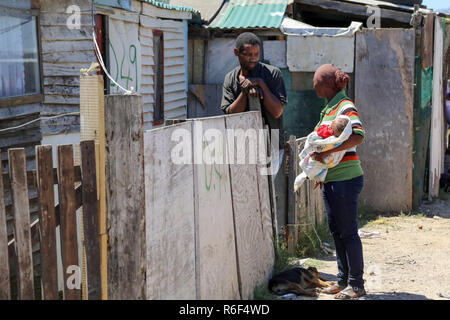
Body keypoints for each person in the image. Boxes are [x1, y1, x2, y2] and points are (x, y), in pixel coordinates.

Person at [311, 64, 366, 299]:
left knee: (348, 232)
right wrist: (322, 171)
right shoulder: (329, 108)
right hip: (333, 178)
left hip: (347, 178)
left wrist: (325, 154)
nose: (314, 87)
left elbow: (358, 135)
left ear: (326, 84)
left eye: (316, 83)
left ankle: (357, 284)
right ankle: (343, 280)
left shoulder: (345, 106)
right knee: (336, 231)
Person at [220, 32, 288, 161]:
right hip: (241, 146)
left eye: (256, 54)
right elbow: (231, 114)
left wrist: (261, 83)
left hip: (272, 144)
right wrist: (244, 92)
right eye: (248, 54)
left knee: (271, 181)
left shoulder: (272, 74)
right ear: (236, 52)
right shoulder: (230, 78)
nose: (253, 58)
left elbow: (277, 112)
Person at [294, 116, 352, 192]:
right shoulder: (328, 129)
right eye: (331, 126)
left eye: (332, 130)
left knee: (316, 165)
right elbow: (317, 135)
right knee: (317, 166)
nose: (330, 129)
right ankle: (307, 175)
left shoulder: (336, 140)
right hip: (320, 155)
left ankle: (306, 175)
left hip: (325, 158)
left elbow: (328, 144)